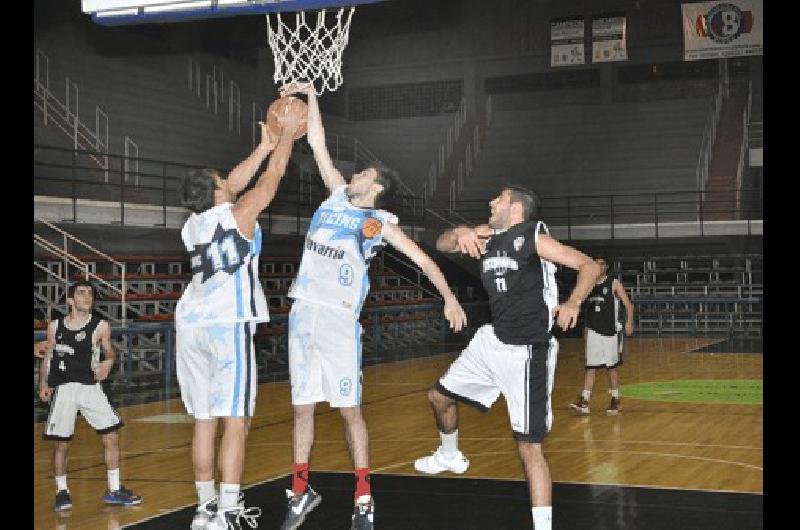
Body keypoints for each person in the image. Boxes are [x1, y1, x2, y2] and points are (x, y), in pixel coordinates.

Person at [277, 82, 467, 530]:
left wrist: (450, 296)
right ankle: (300, 492)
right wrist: (310, 95)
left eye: (363, 173)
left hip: (339, 319)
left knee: (349, 411)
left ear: (376, 186)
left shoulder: (378, 222)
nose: (355, 174)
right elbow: (318, 141)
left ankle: (364, 497)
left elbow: (422, 259)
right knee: (302, 409)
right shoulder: (334, 196)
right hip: (303, 312)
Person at [413, 186, 602, 530]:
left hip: (528, 351)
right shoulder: (487, 239)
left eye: (498, 199)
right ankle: (450, 455)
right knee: (438, 397)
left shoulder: (533, 235)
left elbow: (587, 265)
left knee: (529, 447)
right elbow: (440, 244)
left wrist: (574, 301)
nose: (490, 202)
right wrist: (461, 232)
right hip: (492, 341)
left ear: (516, 208)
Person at [175, 110, 302, 530]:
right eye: (221, 182)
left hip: (190, 323)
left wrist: (261, 147)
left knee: (204, 420)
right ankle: (229, 513)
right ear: (216, 193)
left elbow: (232, 182)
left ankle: (205, 509)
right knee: (236, 420)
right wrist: (284, 141)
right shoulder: (237, 216)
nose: (228, 182)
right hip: (226, 324)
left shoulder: (193, 224)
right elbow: (269, 182)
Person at [37, 280, 142, 512]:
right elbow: (48, 356)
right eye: (81, 293)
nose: (87, 296)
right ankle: (62, 492)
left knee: (112, 437)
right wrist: (44, 381)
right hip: (64, 389)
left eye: (90, 293)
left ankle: (114, 490)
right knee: (61, 445)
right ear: (70, 301)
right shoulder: (55, 327)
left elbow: (110, 351)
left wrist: (109, 362)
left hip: (91, 388)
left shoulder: (101, 326)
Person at [569, 256, 634, 415]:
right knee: (590, 367)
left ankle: (616, 400)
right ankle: (585, 401)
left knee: (611, 368)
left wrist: (629, 322)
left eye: (601, 263)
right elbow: (583, 308)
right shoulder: (588, 285)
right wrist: (586, 331)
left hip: (610, 332)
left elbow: (628, 304)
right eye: (596, 263)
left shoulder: (613, 283)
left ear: (606, 267)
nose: (598, 266)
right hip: (593, 332)